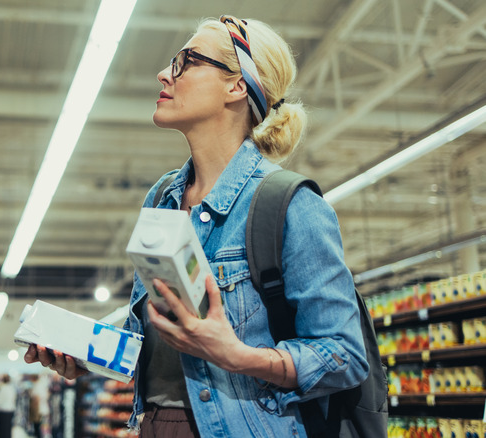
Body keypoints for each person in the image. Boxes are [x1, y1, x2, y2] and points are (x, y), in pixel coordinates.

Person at [25, 15, 369, 437]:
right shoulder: (163, 197)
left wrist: (238, 355)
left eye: (186, 60)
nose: (164, 73)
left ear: (237, 85)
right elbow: (159, 339)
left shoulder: (290, 204)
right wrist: (88, 354)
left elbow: (345, 355)